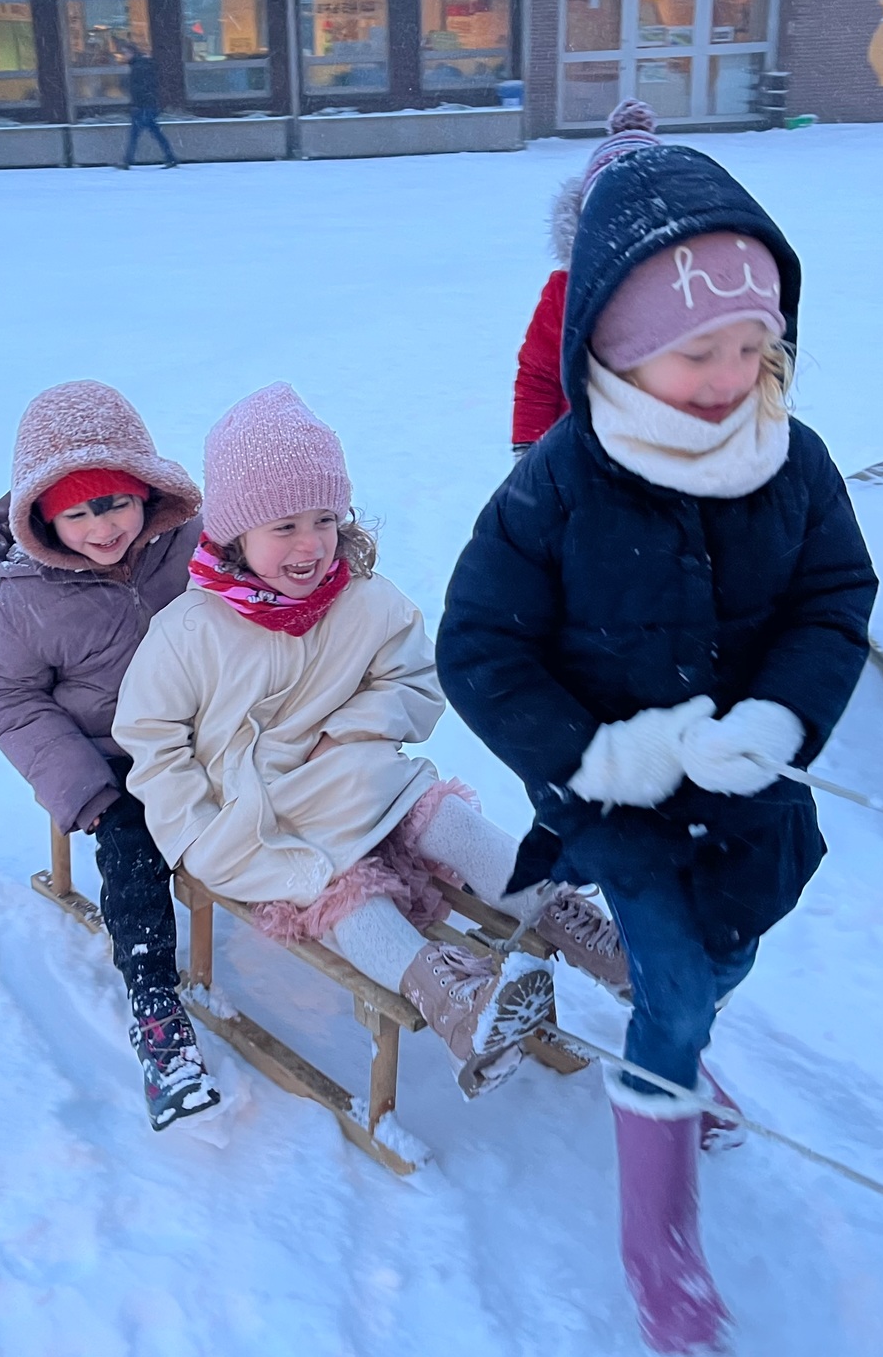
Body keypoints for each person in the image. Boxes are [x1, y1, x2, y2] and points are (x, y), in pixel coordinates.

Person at [438, 128, 877, 1355]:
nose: (731, 375)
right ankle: (660, 1243)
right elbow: (477, 645)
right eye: (698, 352)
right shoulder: (558, 484)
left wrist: (782, 714)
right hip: (622, 803)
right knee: (675, 987)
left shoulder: (794, 463)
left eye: (752, 346)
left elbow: (831, 599)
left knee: (726, 956)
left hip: (750, 796)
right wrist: (589, 758)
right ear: (619, 348)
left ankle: (675, 1045)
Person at [115, 384, 633, 1099]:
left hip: (355, 775)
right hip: (261, 816)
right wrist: (196, 831)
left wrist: (350, 734)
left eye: (324, 520)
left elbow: (415, 679)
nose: (309, 545)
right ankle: (452, 999)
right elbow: (153, 742)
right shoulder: (188, 630)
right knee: (337, 888)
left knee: (440, 814)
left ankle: (579, 925)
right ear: (236, 534)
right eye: (284, 526)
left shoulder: (364, 601)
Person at [0, 379, 220, 1131]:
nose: (101, 527)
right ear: (43, 519)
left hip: (214, 731)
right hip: (116, 762)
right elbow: (5, 696)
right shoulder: (23, 600)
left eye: (112, 504)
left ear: (145, 491)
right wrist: (88, 791)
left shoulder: (196, 541)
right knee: (134, 854)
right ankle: (156, 1011)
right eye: (75, 514)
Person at [511, 99, 662, 455]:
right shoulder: (567, 292)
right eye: (611, 210)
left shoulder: (691, 284)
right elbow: (539, 375)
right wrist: (529, 449)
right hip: (579, 455)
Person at [117, 40, 177, 170]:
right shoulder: (140, 65)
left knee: (138, 134)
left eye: (125, 53)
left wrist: (137, 103)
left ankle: (128, 161)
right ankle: (170, 158)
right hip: (146, 105)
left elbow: (140, 88)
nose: (124, 56)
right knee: (152, 133)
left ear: (132, 52)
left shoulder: (138, 67)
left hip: (143, 106)